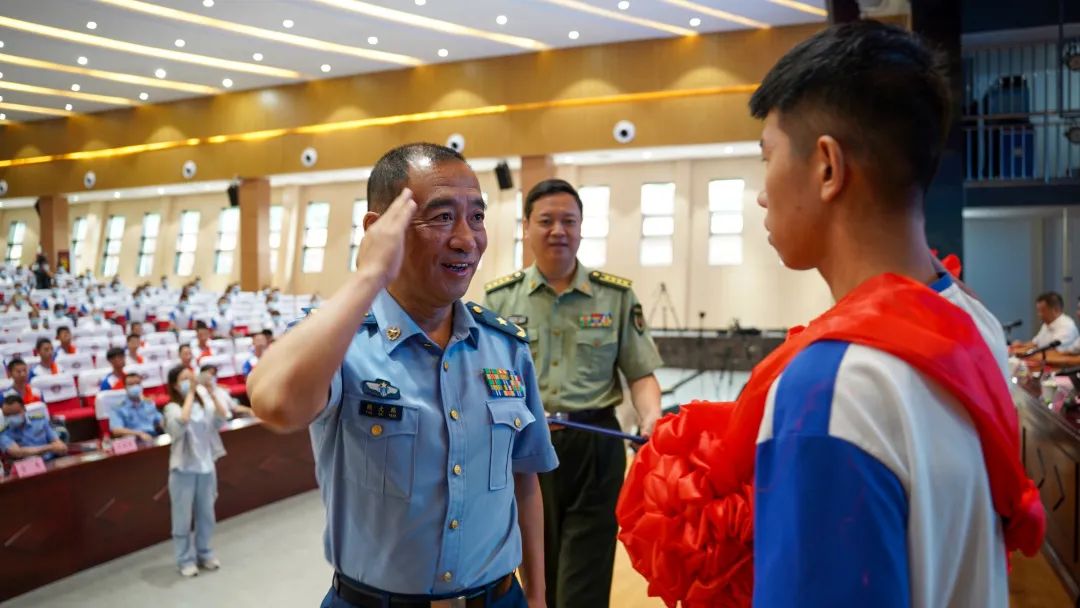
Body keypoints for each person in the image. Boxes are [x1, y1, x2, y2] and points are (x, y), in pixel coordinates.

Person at [617, 21, 1043, 608]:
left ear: (826, 167)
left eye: (766, 157)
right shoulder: (968, 316)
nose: (762, 193)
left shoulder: (835, 387)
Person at [249, 143, 556, 608]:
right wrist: (369, 275)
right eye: (441, 217)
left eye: (476, 216)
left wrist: (536, 599)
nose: (465, 238)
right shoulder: (342, 344)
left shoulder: (505, 348)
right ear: (378, 228)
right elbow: (275, 403)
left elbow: (525, 481)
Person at [485, 178, 663, 608]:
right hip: (526, 447)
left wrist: (651, 419)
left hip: (594, 445)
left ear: (582, 228)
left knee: (585, 575)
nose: (558, 230)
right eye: (546, 220)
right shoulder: (500, 299)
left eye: (569, 221)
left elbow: (640, 373)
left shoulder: (615, 295)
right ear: (526, 227)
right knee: (534, 574)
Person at [163, 364, 230, 577]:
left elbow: (223, 416)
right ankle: (184, 559)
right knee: (182, 518)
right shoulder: (172, 407)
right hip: (183, 469)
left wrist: (210, 392)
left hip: (206, 466)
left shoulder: (204, 403)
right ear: (175, 385)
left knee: (206, 515)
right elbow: (179, 426)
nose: (190, 382)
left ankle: (205, 553)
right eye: (185, 379)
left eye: (191, 378)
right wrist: (191, 393)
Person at [0, 395, 66, 460]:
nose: (11, 418)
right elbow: (18, 452)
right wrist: (49, 447)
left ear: (24, 410)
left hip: (52, 459)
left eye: (15, 414)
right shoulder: (4, 433)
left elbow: (57, 442)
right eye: (7, 415)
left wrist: (59, 447)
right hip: (28, 466)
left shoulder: (40, 420)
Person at [1010, 291, 1079, 354]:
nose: (1039, 314)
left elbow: (1055, 353)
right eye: (1038, 311)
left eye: (1042, 311)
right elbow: (1036, 343)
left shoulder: (1066, 326)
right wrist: (1022, 345)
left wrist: (1025, 352)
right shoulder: (1047, 324)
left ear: (1055, 310)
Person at [108, 371, 163, 442]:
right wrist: (139, 434)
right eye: (131, 384)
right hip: (133, 441)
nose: (135, 387)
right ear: (125, 387)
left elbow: (160, 421)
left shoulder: (149, 403)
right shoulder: (118, 408)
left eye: (137, 384)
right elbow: (116, 430)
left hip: (153, 438)